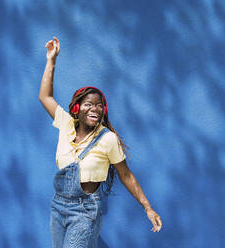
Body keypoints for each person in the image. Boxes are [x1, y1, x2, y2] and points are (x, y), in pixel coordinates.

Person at [39, 36, 162, 248]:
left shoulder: (107, 139)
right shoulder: (66, 124)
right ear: (77, 108)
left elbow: (126, 175)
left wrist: (147, 207)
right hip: (58, 205)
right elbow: (45, 98)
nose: (95, 109)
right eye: (88, 104)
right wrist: (51, 60)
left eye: (99, 106)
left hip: (85, 210)